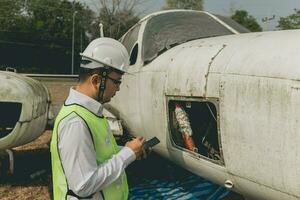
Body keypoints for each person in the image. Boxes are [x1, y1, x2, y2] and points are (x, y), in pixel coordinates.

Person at [50, 37, 146, 200]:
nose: (118, 88)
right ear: (96, 80)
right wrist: (127, 154)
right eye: (116, 82)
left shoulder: (90, 112)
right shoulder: (76, 122)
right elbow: (84, 185)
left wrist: (130, 150)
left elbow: (98, 156)